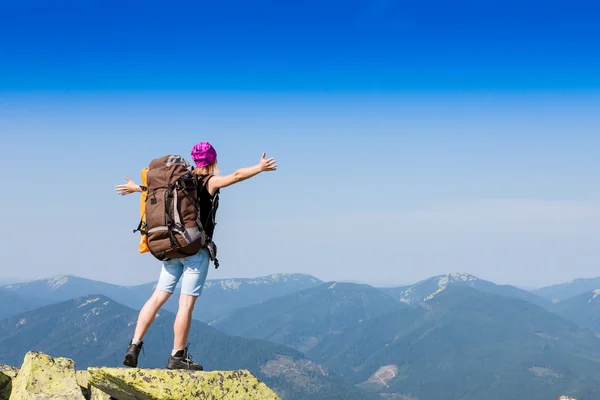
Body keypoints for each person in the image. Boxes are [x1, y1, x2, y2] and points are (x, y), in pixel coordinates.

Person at [115, 142, 277, 370]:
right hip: (194, 250)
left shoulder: (177, 182)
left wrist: (137, 188)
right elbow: (237, 176)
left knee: (157, 298)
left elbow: (157, 195)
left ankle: (133, 346)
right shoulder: (209, 181)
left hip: (170, 247)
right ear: (213, 161)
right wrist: (259, 168)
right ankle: (177, 356)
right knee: (185, 305)